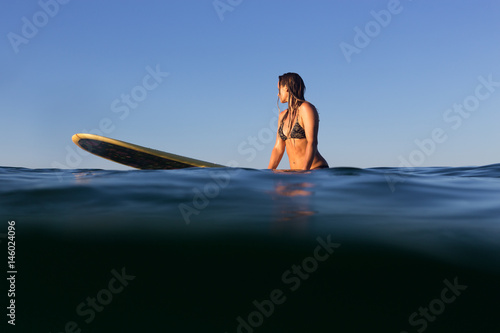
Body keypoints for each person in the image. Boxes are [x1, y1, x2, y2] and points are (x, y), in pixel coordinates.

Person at [268, 73, 329, 170]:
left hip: (314, 170)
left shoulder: (306, 108)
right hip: (296, 173)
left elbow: (312, 142)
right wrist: (268, 172)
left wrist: (304, 172)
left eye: (278, 89)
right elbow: (278, 148)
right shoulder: (282, 116)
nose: (277, 94)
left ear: (286, 88)